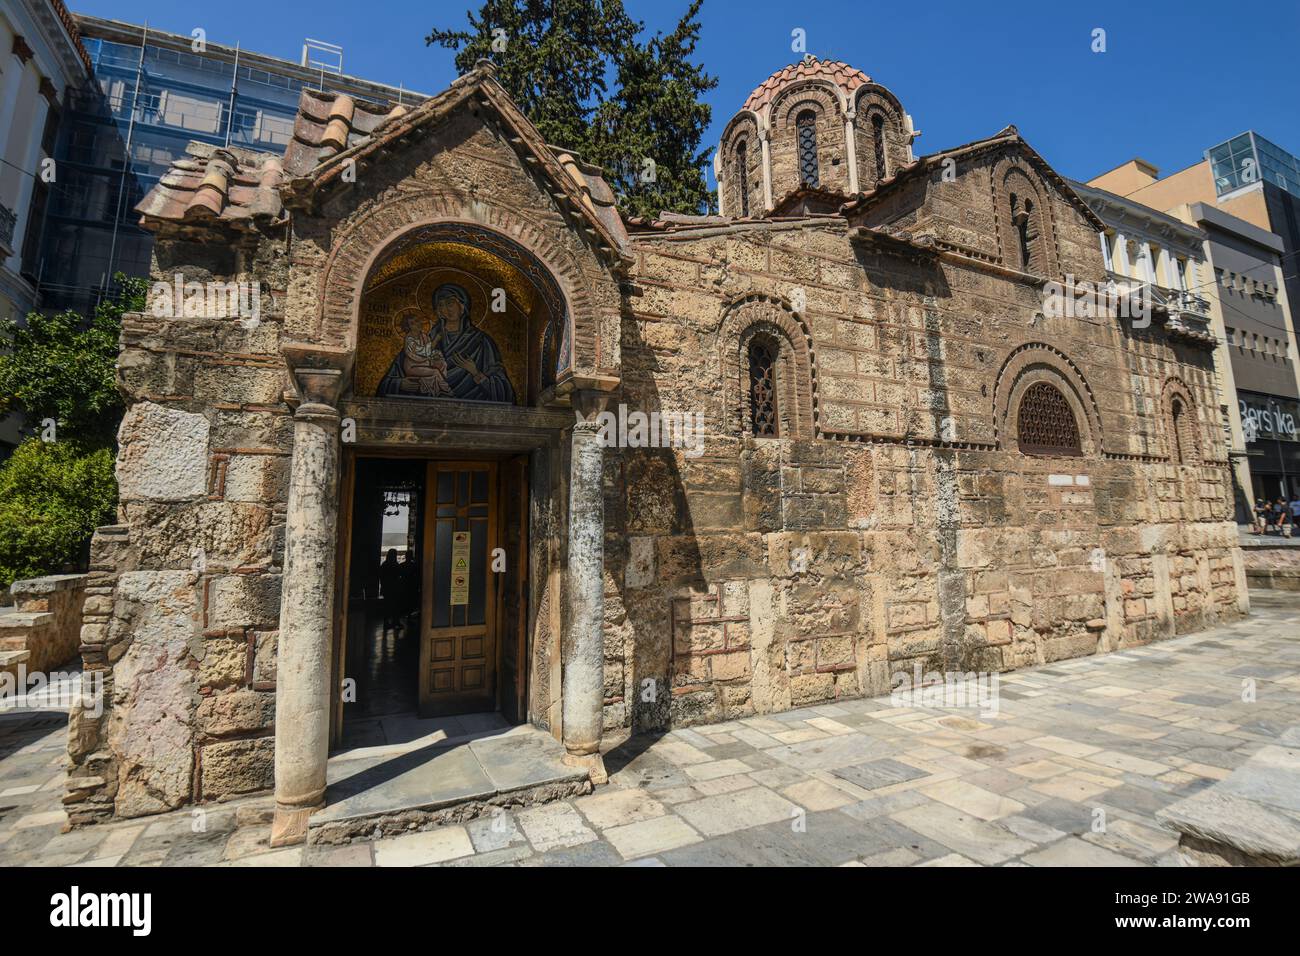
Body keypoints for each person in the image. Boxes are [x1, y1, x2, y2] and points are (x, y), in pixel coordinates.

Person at [378, 549, 403, 632]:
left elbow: (381, 577)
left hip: (387, 588)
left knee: (387, 606)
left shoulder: (384, 564)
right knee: (396, 606)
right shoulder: (395, 565)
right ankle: (396, 622)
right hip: (394, 588)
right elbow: (399, 574)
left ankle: (387, 623)